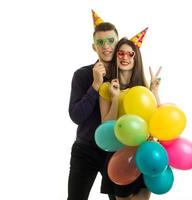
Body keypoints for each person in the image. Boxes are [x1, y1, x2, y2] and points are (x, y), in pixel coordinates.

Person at [99, 37, 162, 200]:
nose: (125, 57)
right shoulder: (106, 88)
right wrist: (115, 98)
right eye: (120, 53)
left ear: (136, 58)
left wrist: (154, 91)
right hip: (119, 154)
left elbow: (160, 121)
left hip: (144, 151)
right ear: (116, 56)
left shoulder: (144, 89)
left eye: (130, 54)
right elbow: (106, 125)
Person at [67, 22, 119, 200]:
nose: (106, 47)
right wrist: (95, 85)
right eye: (100, 42)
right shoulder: (82, 75)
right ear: (94, 47)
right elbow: (76, 116)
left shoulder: (127, 74)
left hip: (115, 151)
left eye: (111, 41)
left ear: (117, 43)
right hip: (85, 149)